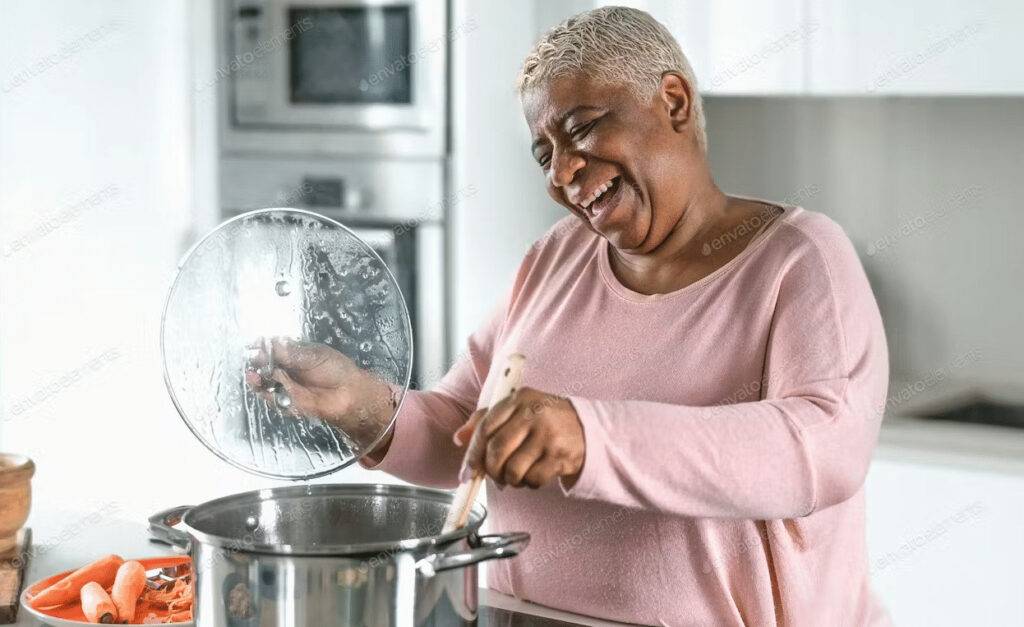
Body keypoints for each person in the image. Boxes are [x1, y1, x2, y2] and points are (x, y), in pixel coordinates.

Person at [249, 7, 890, 625]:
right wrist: (364, 407)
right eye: (543, 152)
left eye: (581, 129)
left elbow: (820, 449)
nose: (562, 173)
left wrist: (591, 438)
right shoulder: (555, 258)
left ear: (673, 102)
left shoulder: (798, 260)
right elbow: (466, 431)